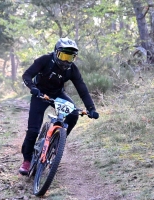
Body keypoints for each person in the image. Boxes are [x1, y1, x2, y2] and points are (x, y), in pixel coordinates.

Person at [19, 37, 99, 175]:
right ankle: (27, 160)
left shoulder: (72, 69)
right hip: (40, 95)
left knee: (73, 114)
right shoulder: (44, 60)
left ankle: (58, 142)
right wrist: (33, 88)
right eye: (63, 56)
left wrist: (91, 108)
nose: (66, 60)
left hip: (57, 94)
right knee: (33, 130)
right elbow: (27, 75)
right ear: (56, 53)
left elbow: (82, 89)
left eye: (70, 57)